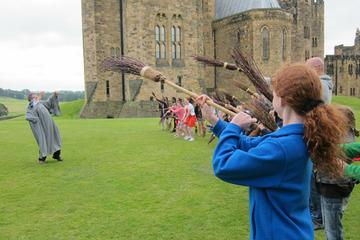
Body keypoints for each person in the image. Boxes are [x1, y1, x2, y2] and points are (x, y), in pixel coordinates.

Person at [197, 64, 348, 240]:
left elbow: (224, 164)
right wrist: (214, 120)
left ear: (283, 100)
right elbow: (250, 144)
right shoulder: (294, 138)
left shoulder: (283, 148)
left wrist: (233, 127)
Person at [314, 106, 358, 240]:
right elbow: (348, 149)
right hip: (330, 186)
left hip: (334, 187)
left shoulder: (344, 136)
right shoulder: (339, 135)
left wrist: (346, 169)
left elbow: (339, 165)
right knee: (331, 228)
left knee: (333, 232)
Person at [306, 57, 334, 230]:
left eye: (308, 70)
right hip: (314, 134)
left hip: (315, 135)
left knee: (312, 178)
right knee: (312, 177)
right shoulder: (322, 85)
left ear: (316, 69)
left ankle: (318, 217)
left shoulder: (321, 86)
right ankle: (315, 214)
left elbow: (312, 107)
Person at [26, 92, 63, 164]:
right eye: (35, 96)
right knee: (43, 141)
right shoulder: (31, 106)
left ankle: (56, 155)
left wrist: (54, 95)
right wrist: (39, 96)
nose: (36, 97)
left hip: (50, 125)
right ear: (31, 99)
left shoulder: (41, 103)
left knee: (55, 138)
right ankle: (42, 158)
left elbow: (49, 103)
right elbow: (30, 114)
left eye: (36, 96)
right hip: (42, 127)